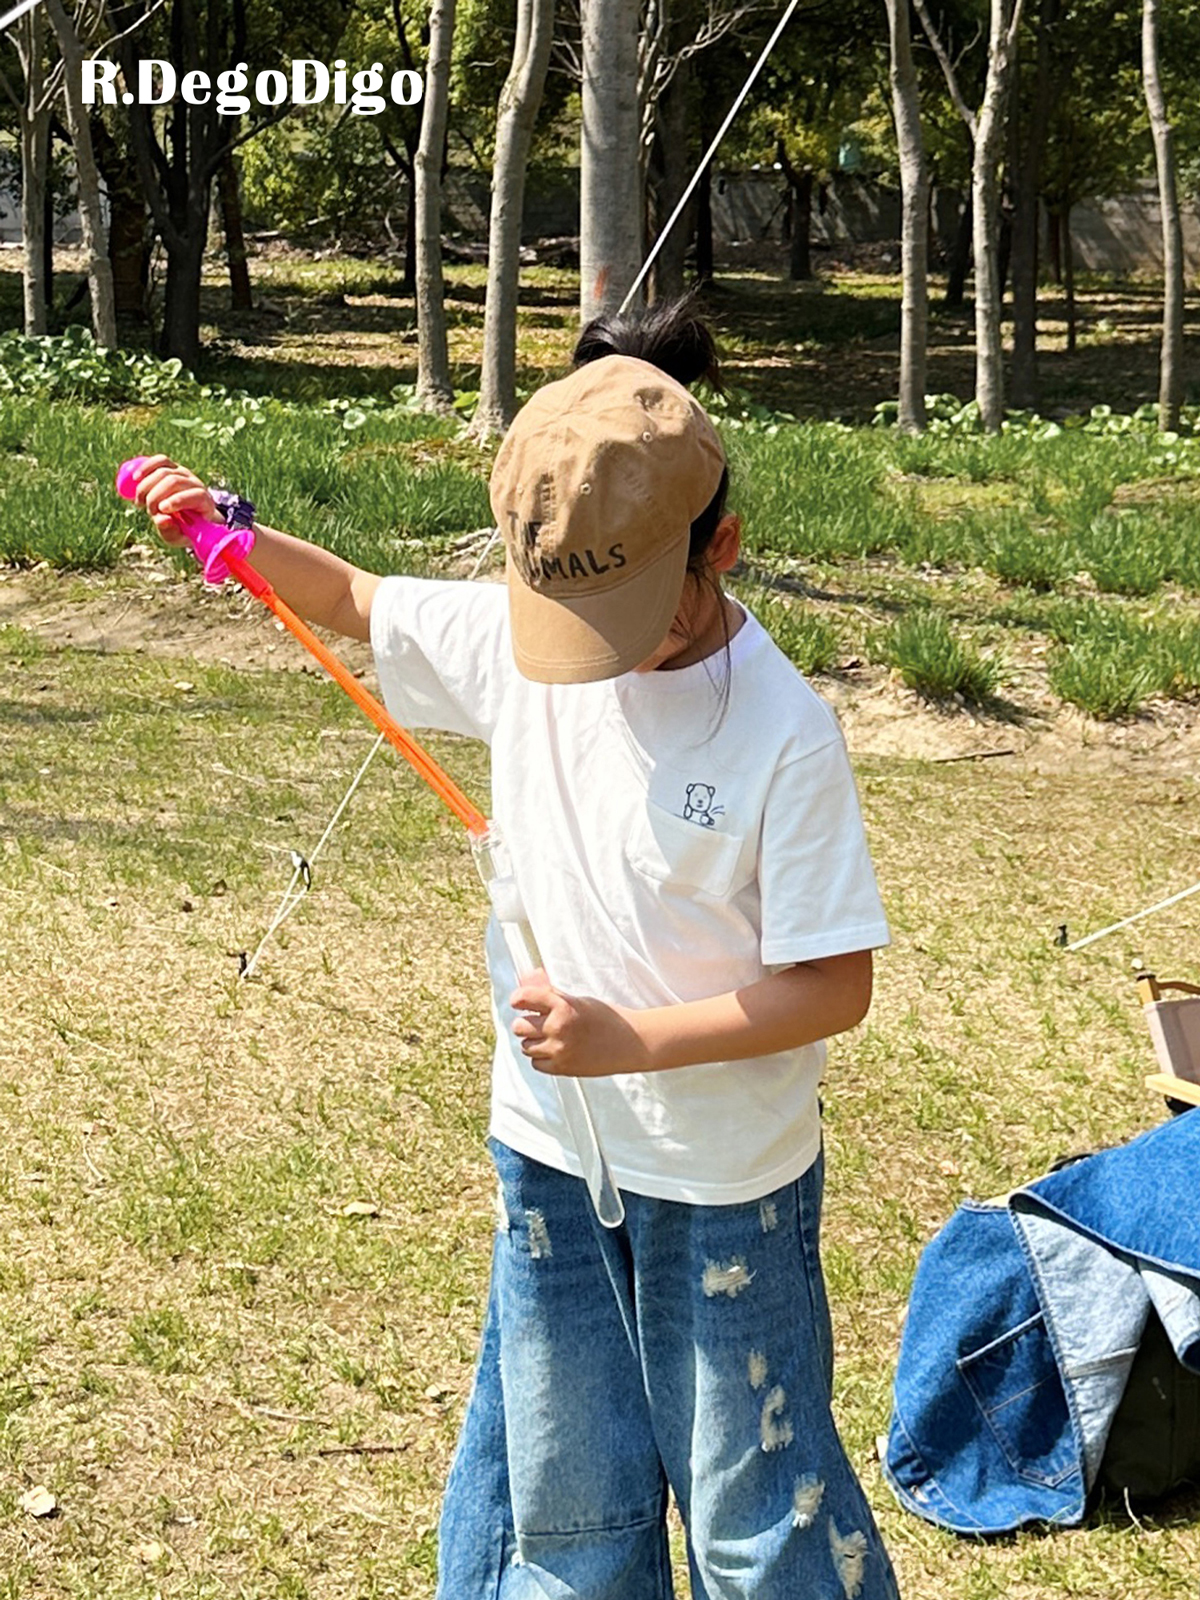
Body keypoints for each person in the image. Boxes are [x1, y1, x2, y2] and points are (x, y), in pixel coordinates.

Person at [130, 300, 899, 1600]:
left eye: (635, 620)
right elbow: (364, 600)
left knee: (755, 1521)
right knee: (571, 1511)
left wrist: (629, 1042)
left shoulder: (783, 732)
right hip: (547, 1159)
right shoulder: (528, 645)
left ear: (723, 544)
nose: (594, 662)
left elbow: (835, 983)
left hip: (724, 1192)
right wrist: (232, 529)